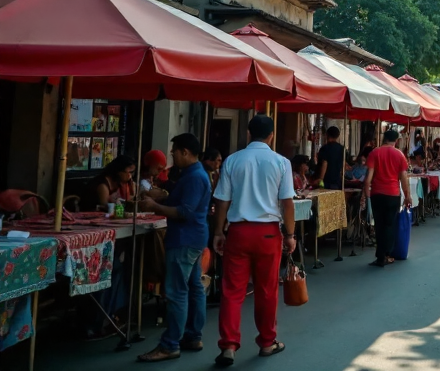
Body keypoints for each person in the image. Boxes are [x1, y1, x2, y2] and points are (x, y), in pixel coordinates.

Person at [211, 115, 295, 367]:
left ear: (248, 133)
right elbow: (287, 202)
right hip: (268, 233)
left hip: (238, 231)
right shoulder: (281, 162)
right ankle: (267, 342)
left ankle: (228, 346)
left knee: (232, 292)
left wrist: (218, 232)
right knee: (267, 290)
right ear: (271, 134)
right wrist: (290, 235)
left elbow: (222, 200)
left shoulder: (232, 160)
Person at [135, 134, 211, 362]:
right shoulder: (191, 175)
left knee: (177, 291)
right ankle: (192, 335)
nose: (173, 156)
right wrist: (163, 196)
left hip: (184, 239)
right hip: (193, 237)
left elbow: (184, 211)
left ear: (185, 152)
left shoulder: (195, 177)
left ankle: (170, 344)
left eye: (175, 152)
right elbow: (180, 202)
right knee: (193, 286)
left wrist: (154, 205)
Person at [362, 129, 412, 267]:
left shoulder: (374, 153)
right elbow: (403, 178)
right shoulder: (399, 155)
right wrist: (408, 196)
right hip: (393, 194)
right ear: (396, 140)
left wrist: (367, 195)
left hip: (377, 194)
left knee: (379, 225)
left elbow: (368, 179)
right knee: (389, 225)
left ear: (384, 138)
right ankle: (387, 255)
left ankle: (380, 256)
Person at [315, 125, 346, 191]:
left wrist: (321, 179)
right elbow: (343, 165)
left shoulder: (325, 148)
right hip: (337, 182)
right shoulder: (342, 149)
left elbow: (324, 163)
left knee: (324, 200)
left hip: (326, 182)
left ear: (327, 135)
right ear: (338, 136)